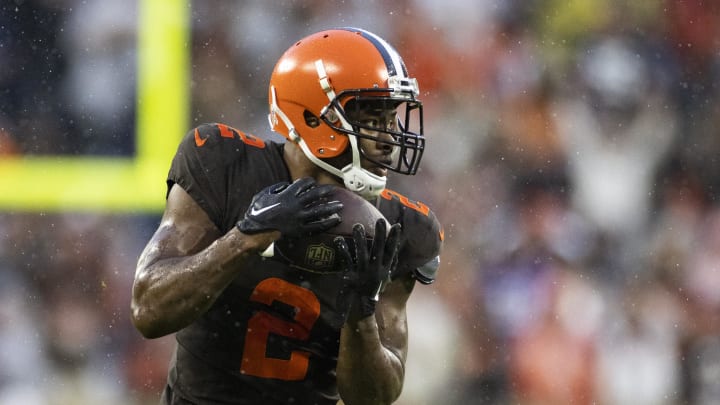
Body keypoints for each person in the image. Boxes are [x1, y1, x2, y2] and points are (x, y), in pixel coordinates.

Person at [130, 27, 444, 405]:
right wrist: (245, 239)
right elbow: (148, 310)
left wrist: (361, 309)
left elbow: (373, 397)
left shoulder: (401, 227)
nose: (389, 137)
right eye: (370, 116)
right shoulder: (224, 164)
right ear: (312, 117)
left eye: (390, 117)